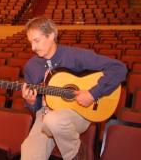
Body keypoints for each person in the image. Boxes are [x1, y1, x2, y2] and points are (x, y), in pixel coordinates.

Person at [20, 17, 127, 160]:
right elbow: (36, 105)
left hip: (77, 112)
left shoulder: (76, 55)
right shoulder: (31, 66)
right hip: (45, 114)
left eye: (36, 41)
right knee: (29, 154)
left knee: (53, 121)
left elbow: (119, 68)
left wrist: (93, 93)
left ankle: (77, 154)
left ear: (51, 35)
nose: (32, 48)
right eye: (30, 42)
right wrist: (31, 102)